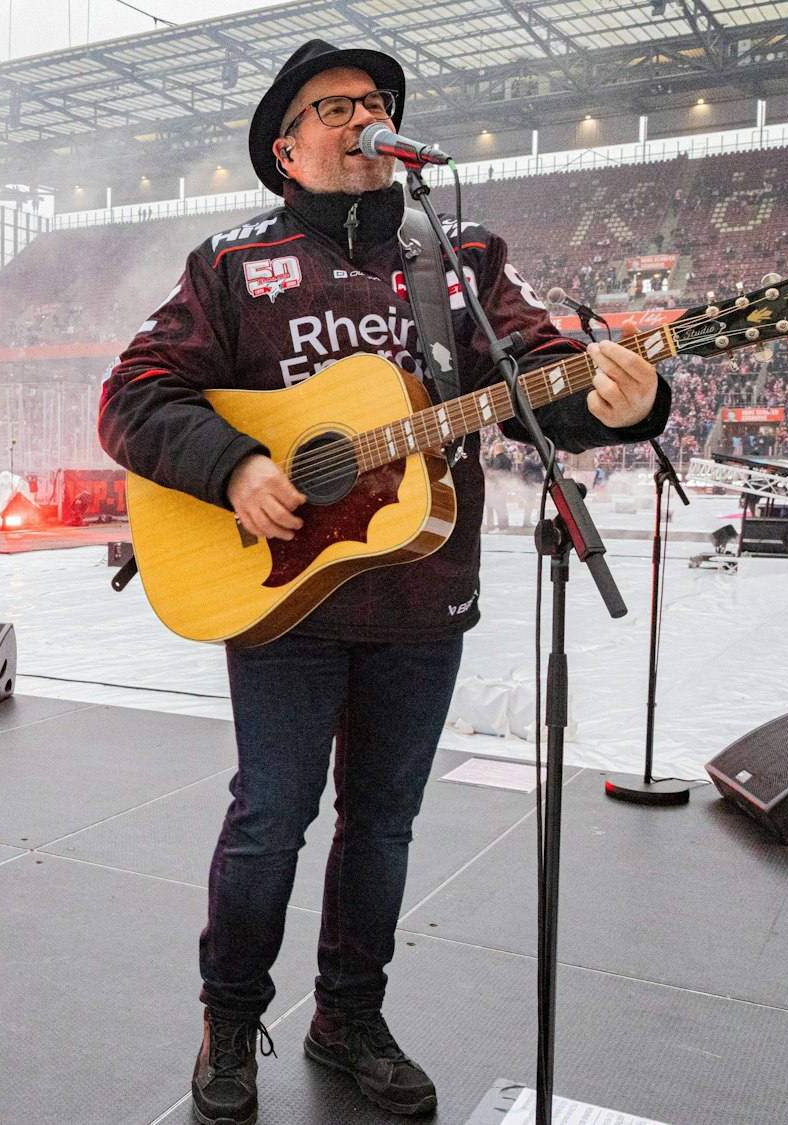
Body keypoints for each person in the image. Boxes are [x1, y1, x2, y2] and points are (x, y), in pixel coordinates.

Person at [95, 39, 669, 1125]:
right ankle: (230, 1017)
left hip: (419, 589)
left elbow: (535, 376)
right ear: (285, 148)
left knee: (384, 823)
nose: (364, 116)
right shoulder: (231, 264)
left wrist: (617, 404)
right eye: (335, 106)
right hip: (280, 592)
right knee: (270, 816)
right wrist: (236, 465)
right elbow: (133, 395)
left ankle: (348, 1016)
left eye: (376, 101)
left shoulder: (460, 256)